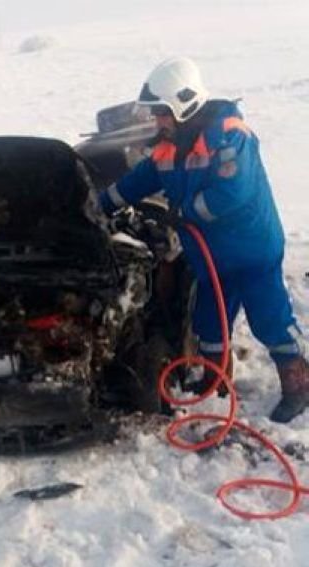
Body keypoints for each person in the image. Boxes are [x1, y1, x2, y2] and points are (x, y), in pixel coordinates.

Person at [98, 57, 309, 423]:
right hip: (211, 257)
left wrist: (184, 212)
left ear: (184, 104)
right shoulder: (167, 145)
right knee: (209, 324)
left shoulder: (229, 134)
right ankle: (214, 382)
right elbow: (138, 181)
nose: (157, 119)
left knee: (270, 319)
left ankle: (299, 382)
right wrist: (100, 206)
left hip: (251, 251)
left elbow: (233, 193)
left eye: (162, 111)